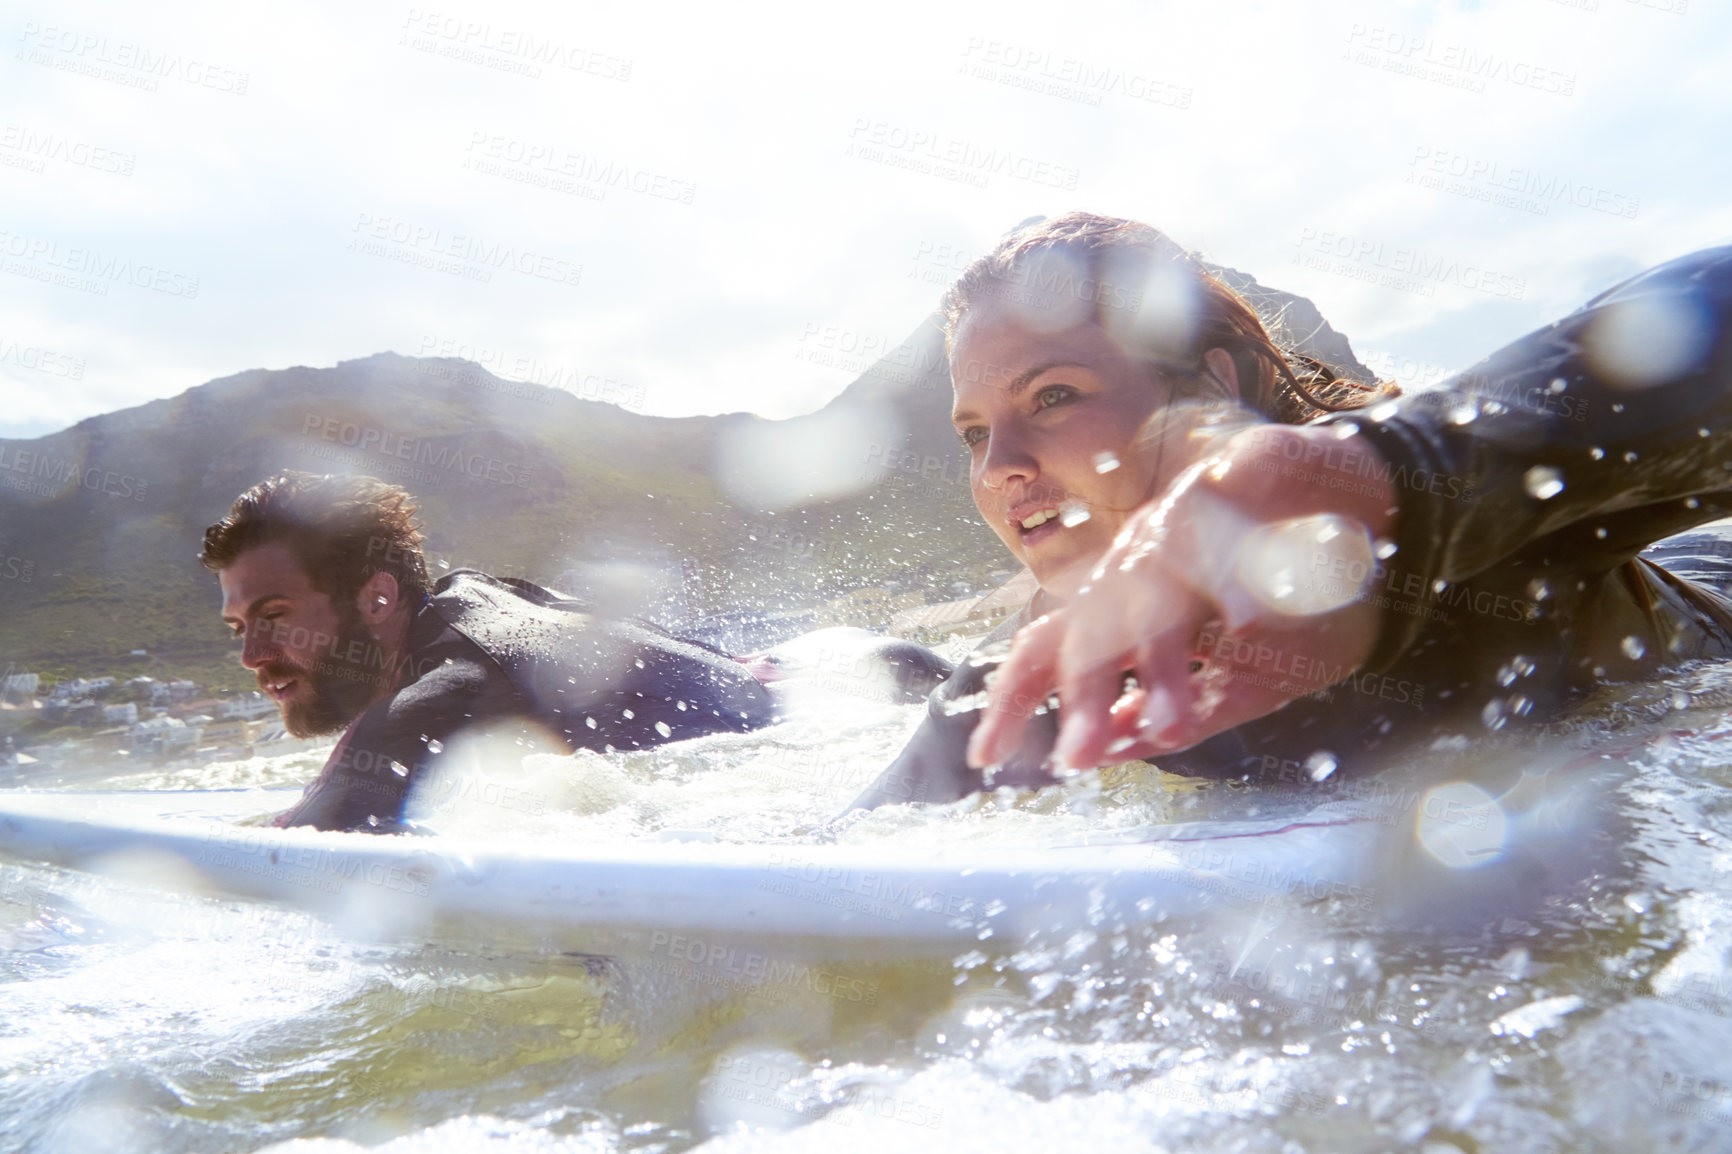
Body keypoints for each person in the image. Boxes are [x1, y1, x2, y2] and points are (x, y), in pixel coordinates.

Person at [851, 212, 1732, 810]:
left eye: (1052, 396)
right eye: (973, 433)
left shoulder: (1433, 522)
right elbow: (810, 885)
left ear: (1207, 386)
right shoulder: (1027, 690)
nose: (1000, 467)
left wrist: (1389, 470)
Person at [202, 472, 775, 831]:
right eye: (238, 627)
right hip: (771, 688)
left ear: (377, 597)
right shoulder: (477, 595)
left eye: (275, 617)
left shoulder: (436, 695)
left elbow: (295, 857)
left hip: (766, 767)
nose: (253, 654)